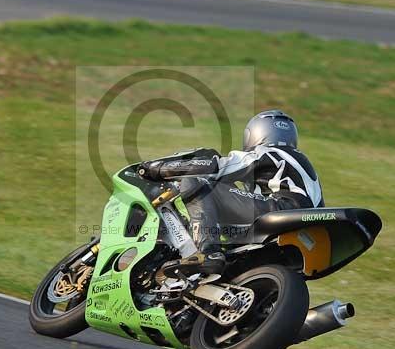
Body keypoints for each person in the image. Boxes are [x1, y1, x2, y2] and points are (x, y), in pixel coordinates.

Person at [139, 109, 324, 277]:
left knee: (196, 182)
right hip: (303, 229)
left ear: (257, 133)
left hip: (280, 209)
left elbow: (216, 167)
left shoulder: (267, 152)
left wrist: (159, 169)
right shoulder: (303, 166)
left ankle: (207, 252)